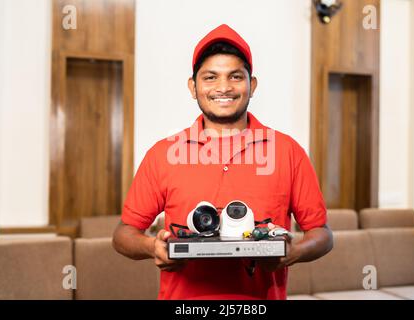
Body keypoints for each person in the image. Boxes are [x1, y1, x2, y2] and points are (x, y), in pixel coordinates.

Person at [112, 24, 333, 300]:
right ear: (193, 87)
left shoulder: (288, 152)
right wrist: (152, 247)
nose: (223, 87)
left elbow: (323, 234)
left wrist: (293, 252)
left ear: (252, 85)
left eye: (236, 76)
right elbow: (123, 234)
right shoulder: (163, 154)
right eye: (210, 77)